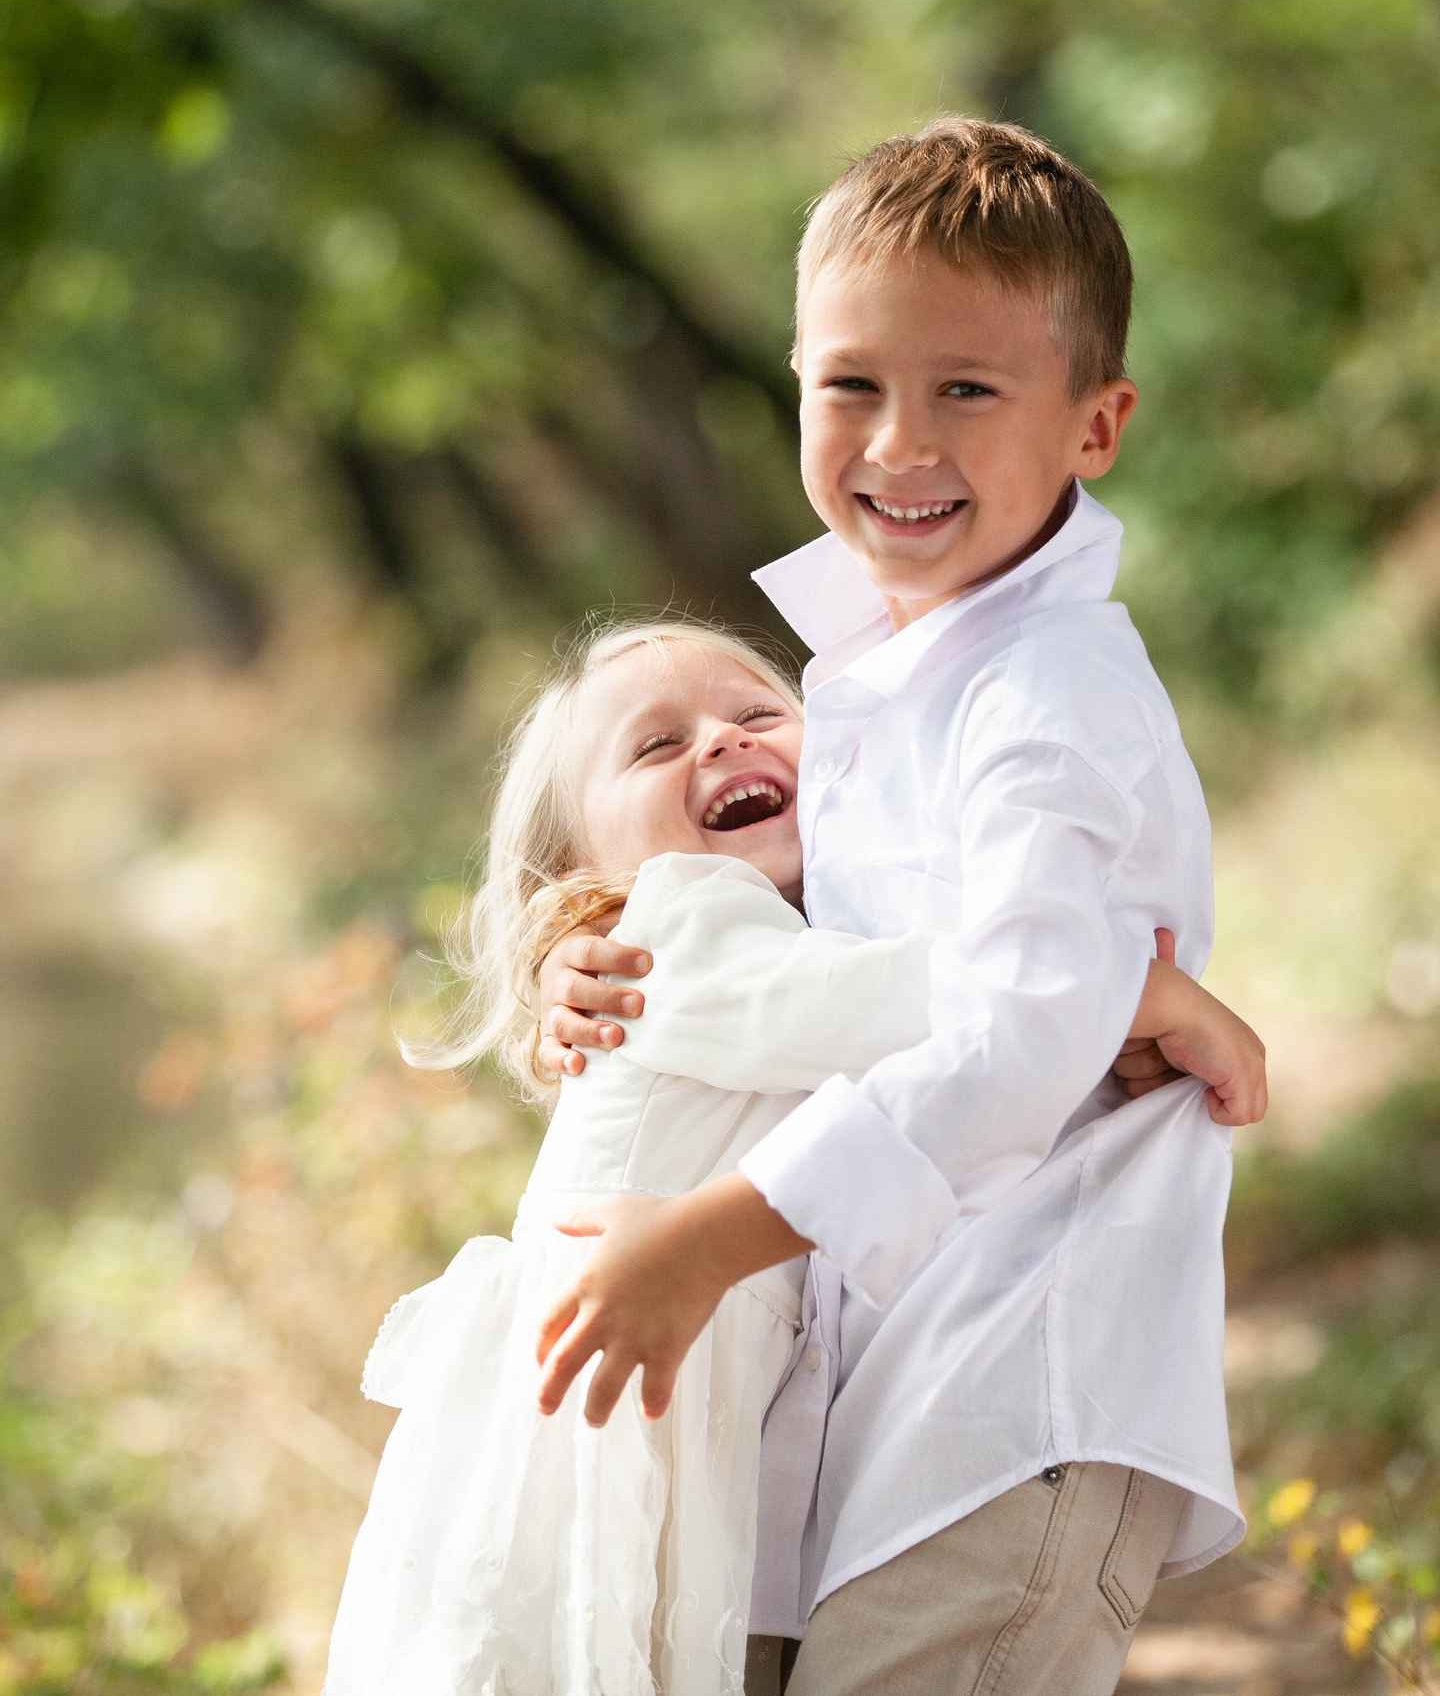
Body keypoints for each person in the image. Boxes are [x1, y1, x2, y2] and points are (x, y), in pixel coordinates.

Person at [530, 118, 1250, 1695]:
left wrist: (705, 1241)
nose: (898, 444)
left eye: (968, 391)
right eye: (852, 385)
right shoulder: (869, 665)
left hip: (1019, 1387)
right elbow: (797, 952)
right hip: (881, 1389)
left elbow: (1012, 1032)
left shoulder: (1044, 697)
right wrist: (599, 961)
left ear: (1096, 423)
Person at [321, 618, 1264, 1695]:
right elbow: (860, 1003)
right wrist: (1118, 991)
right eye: (654, 745)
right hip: (594, 1434)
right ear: (575, 866)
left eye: (758, 713)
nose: (719, 742)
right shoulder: (669, 929)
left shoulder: (762, 936)